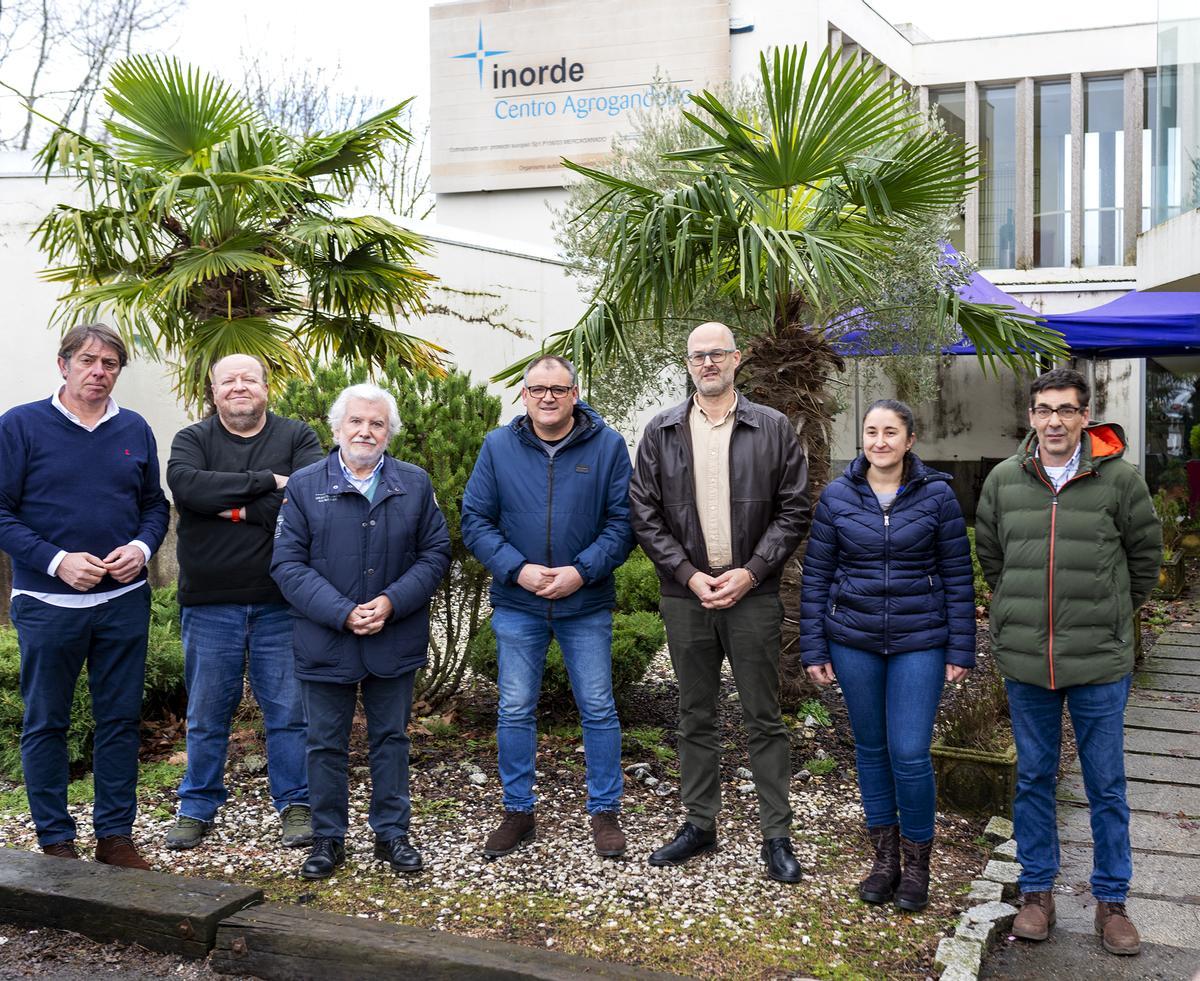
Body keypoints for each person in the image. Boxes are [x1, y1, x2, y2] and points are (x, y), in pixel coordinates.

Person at [975, 367, 1161, 957]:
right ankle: (1036, 893)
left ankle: (1112, 902)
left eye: (1066, 409)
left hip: (1099, 664)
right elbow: (992, 554)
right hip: (1028, 660)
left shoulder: (1119, 480)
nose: (1054, 420)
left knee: (1106, 784)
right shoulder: (1004, 480)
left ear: (1086, 416)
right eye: (1043, 409)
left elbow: (1145, 557)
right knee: (1033, 778)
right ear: (1030, 417)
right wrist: (1014, 611)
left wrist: (1111, 614)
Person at [628, 321, 810, 882]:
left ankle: (776, 835)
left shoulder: (774, 427)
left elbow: (795, 509)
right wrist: (687, 574)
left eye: (717, 354)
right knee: (694, 714)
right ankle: (699, 823)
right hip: (687, 597)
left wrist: (751, 573)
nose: (707, 363)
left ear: (737, 359)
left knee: (764, 716)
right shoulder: (660, 431)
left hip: (751, 595)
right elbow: (645, 513)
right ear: (688, 365)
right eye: (697, 356)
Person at [0, 323, 170, 868]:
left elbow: (154, 505)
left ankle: (115, 837)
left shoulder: (135, 427)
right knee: (46, 722)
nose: (99, 372)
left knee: (119, 720)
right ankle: (55, 842)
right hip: (48, 606)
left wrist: (143, 548)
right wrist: (56, 560)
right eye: (89, 361)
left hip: (122, 602)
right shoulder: (21, 426)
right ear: (64, 364)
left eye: (111, 364)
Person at [800, 399, 975, 912]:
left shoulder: (938, 496)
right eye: (871, 432)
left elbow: (958, 577)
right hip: (852, 640)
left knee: (910, 751)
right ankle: (884, 861)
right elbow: (816, 577)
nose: (880, 441)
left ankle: (918, 863)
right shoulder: (836, 496)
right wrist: (815, 645)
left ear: (909, 440)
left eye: (891, 432)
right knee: (871, 750)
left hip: (919, 640)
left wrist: (961, 645)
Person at [271, 383, 450, 879]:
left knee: (390, 738)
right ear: (337, 429)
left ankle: (392, 833)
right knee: (324, 743)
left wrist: (391, 602)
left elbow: (436, 554)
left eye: (376, 423)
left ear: (389, 432)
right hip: (325, 636)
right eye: (356, 421)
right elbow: (286, 565)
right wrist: (343, 611)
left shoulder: (414, 483)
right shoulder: (305, 486)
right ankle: (328, 838)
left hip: (393, 635)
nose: (365, 431)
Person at [461, 354, 634, 859]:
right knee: (515, 709)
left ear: (575, 394)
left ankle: (605, 811)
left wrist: (582, 570)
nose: (548, 397)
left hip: (586, 603)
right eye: (537, 389)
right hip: (518, 603)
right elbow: (475, 519)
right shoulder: (497, 447)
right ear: (523, 396)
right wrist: (519, 569)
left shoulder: (608, 447)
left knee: (598, 708)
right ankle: (518, 810)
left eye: (558, 389)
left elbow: (623, 523)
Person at [164, 354, 325, 851]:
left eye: (248, 378)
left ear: (265, 386)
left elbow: (307, 498)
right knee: (207, 714)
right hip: (210, 604)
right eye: (227, 380)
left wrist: (226, 507)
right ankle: (198, 805)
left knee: (288, 713)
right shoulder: (192, 440)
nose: (239, 387)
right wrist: (266, 484)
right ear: (213, 391)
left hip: (281, 602)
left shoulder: (298, 438)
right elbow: (187, 488)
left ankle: (295, 803)